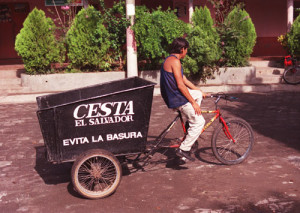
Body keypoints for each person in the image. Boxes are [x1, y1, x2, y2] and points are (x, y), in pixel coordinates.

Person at [160, 37, 206, 162]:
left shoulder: (171, 59)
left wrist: (199, 91)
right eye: (186, 50)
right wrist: (193, 103)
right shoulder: (175, 62)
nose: (186, 52)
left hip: (172, 95)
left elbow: (184, 80)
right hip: (176, 98)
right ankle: (184, 149)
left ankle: (190, 119)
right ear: (182, 49)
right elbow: (181, 85)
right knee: (200, 122)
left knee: (198, 94)